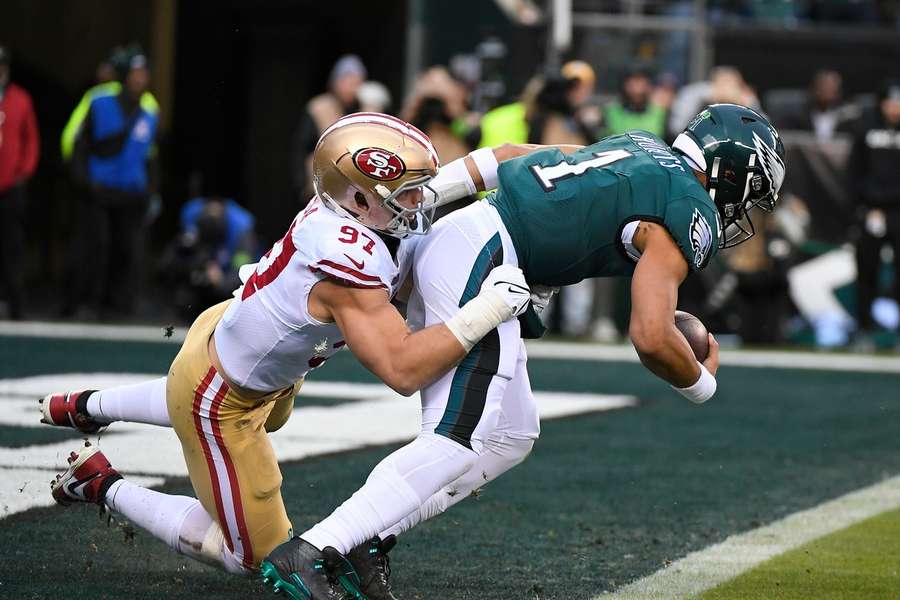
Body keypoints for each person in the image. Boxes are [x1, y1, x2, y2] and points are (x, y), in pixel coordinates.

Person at [264, 103, 786, 599]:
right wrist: (700, 381)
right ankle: (314, 549)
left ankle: (366, 537)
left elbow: (513, 154)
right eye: (751, 192)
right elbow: (651, 335)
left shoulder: (642, 145)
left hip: (473, 240)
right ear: (730, 171)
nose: (743, 209)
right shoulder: (686, 205)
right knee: (456, 439)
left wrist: (433, 195)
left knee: (512, 435)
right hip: (487, 258)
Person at [40, 113, 531, 599]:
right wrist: (486, 309)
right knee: (251, 556)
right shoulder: (346, 258)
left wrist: (600, 159)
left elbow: (497, 162)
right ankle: (99, 481)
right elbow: (402, 369)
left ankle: (85, 405)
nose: (420, 201)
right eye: (406, 193)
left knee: (264, 408)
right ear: (359, 198)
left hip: (241, 342)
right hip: (221, 397)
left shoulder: (360, 206)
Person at [63, 46, 159, 319]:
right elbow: (77, 142)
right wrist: (83, 181)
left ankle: (117, 304)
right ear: (125, 76)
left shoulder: (151, 109)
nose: (140, 79)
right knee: (95, 246)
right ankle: (86, 303)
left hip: (130, 193)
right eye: (135, 73)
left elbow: (150, 153)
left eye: (144, 74)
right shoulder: (99, 101)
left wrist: (151, 190)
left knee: (126, 249)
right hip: (98, 190)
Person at [847, 78, 900, 350]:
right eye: (891, 102)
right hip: (872, 211)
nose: (895, 108)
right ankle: (864, 328)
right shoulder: (866, 127)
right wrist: (864, 207)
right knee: (867, 270)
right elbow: (854, 171)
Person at [159, 194, 259, 321]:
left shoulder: (242, 231)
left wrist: (221, 281)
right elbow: (173, 258)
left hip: (231, 284)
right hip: (201, 274)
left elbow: (242, 271)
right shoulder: (191, 216)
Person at [291, 55, 367, 203]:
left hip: (355, 190)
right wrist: (302, 184)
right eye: (347, 81)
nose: (352, 88)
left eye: (357, 83)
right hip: (322, 185)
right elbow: (302, 148)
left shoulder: (365, 111)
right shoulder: (318, 108)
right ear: (336, 82)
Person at [0, 44, 40, 321]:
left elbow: (31, 139)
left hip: (10, 186)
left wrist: (23, 171)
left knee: (12, 246)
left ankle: (15, 304)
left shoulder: (20, 99)